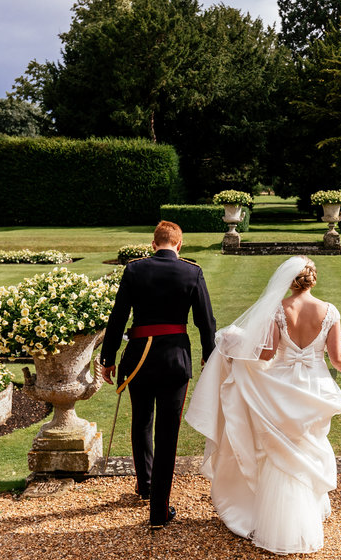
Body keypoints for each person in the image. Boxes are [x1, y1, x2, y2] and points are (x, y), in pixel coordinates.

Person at [185, 256, 341, 554]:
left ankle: (276, 521)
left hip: (282, 386)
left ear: (290, 281)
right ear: (313, 279)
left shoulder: (279, 309)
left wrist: (234, 344)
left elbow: (265, 354)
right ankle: (304, 519)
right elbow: (337, 358)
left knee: (279, 450)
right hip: (314, 387)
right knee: (306, 446)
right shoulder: (330, 312)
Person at [98, 220, 216, 528]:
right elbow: (206, 322)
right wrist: (210, 356)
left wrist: (107, 358)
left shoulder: (134, 270)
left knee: (141, 422)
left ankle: (146, 485)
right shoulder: (193, 272)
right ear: (179, 245)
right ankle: (159, 511)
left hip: (139, 358)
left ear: (153, 244)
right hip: (175, 361)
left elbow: (118, 317)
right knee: (167, 434)